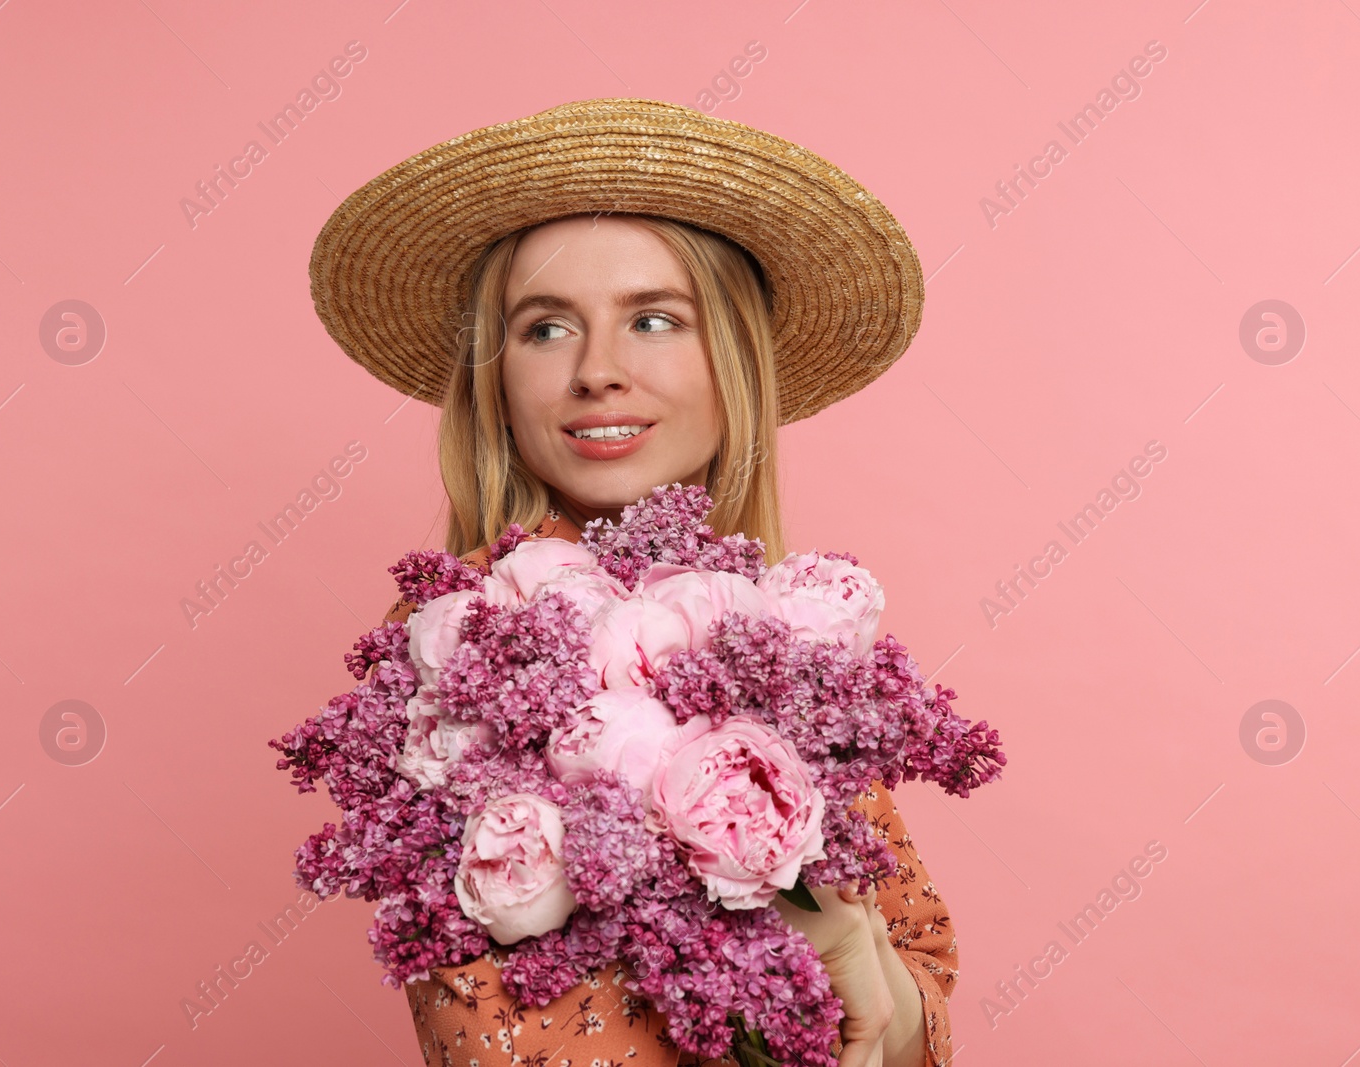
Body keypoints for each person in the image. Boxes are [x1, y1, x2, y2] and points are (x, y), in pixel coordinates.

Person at [309, 98, 960, 1067]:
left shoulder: (789, 639)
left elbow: (918, 988)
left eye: (653, 319)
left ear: (732, 358)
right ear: (496, 381)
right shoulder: (468, 645)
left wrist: (867, 977)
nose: (598, 371)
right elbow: (501, 1038)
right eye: (544, 329)